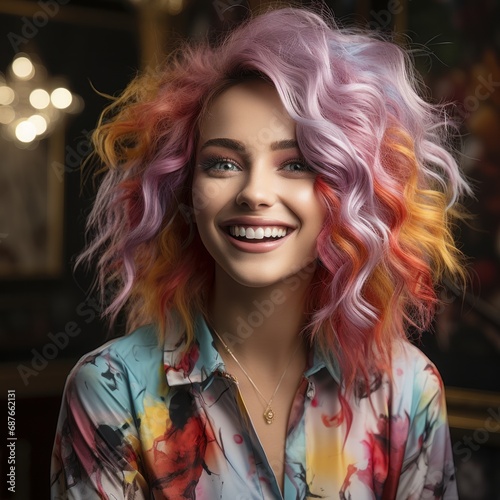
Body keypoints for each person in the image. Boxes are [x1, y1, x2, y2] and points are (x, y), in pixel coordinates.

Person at [50, 6, 469, 499]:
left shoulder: (408, 389)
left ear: (349, 192)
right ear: (185, 190)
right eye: (223, 162)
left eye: (295, 164)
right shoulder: (111, 391)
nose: (254, 193)